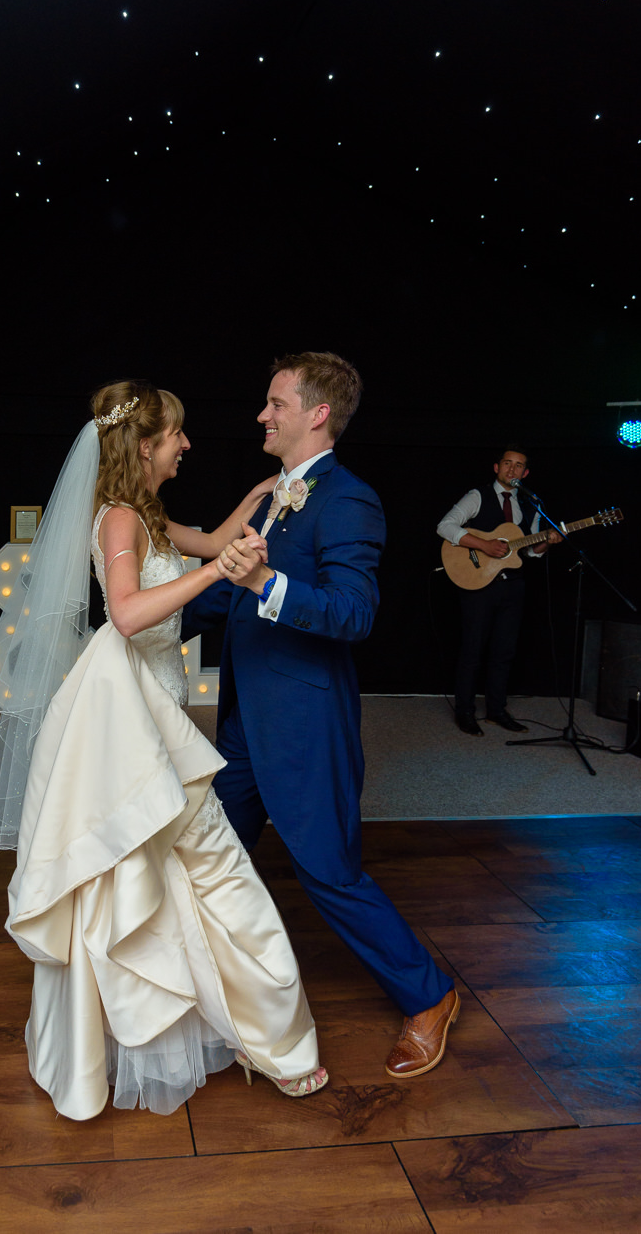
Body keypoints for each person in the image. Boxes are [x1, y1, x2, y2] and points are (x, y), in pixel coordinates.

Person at [0, 380, 326, 1120]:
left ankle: (184, 1025)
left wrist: (266, 496)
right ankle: (280, 1042)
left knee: (161, 874)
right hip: (136, 722)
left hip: (160, 712)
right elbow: (130, 614)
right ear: (145, 445)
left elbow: (206, 538)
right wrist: (218, 573)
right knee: (219, 870)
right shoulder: (117, 520)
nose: (186, 444)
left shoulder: (148, 513)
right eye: (177, 434)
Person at [185, 353, 460, 1082]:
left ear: (316, 414)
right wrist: (147, 613)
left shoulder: (348, 499)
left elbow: (354, 613)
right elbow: (228, 590)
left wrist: (266, 580)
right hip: (245, 720)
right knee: (214, 855)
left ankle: (428, 995)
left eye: (275, 403)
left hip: (305, 724)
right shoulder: (271, 493)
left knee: (328, 872)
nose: (261, 415)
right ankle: (211, 998)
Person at [437, 448, 560, 737]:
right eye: (508, 463)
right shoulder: (477, 496)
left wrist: (550, 542)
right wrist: (483, 545)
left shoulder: (531, 505)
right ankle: (465, 712)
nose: (513, 470)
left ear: (525, 474)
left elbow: (530, 550)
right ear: (496, 467)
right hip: (478, 584)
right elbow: (445, 526)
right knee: (472, 650)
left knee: (504, 652)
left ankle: (496, 711)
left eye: (519, 466)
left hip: (512, 586)